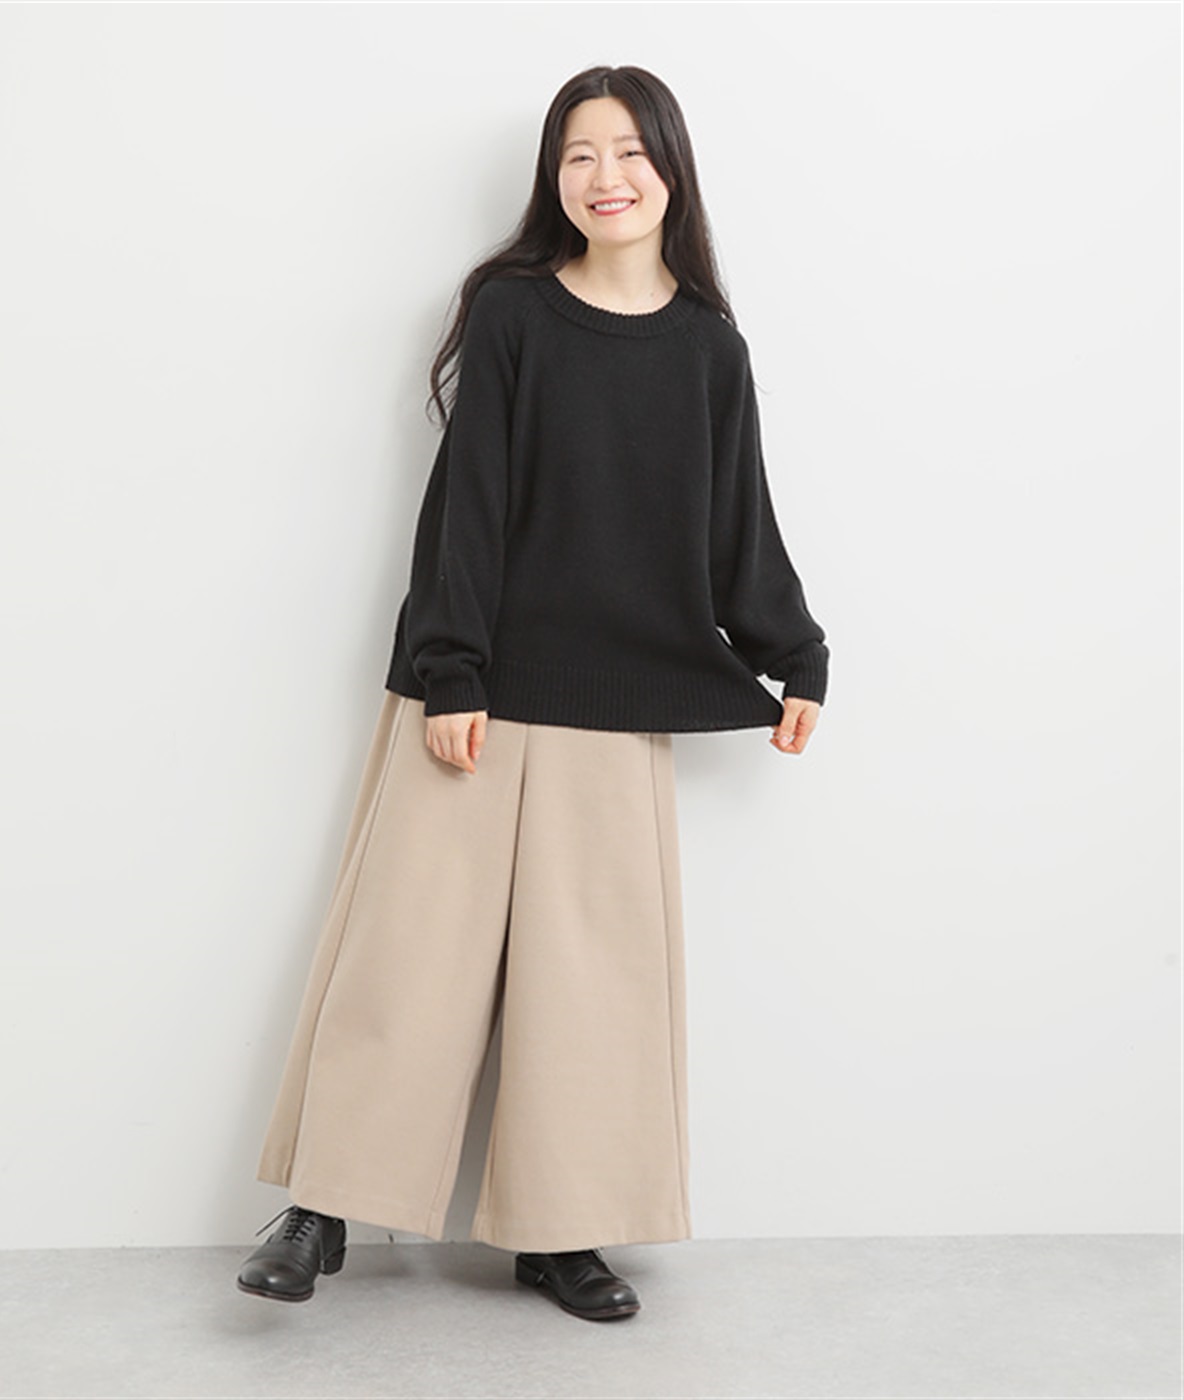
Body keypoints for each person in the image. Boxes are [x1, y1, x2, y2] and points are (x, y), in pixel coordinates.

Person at [236, 63, 829, 1324]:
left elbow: (737, 521)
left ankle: (562, 1231)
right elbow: (466, 506)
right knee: (406, 958)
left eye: (630, 153)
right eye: (579, 155)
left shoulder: (709, 349)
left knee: (591, 986)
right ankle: (321, 1208)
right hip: (477, 692)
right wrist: (452, 669)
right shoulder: (515, 314)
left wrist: (797, 653)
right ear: (554, 177)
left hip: (617, 700)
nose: (606, 178)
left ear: (672, 172)